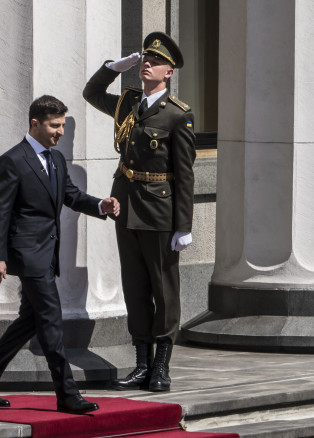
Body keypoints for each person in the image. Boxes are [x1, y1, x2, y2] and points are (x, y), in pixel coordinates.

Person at [0, 95, 120, 414]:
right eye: (55, 125)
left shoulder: (56, 160)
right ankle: (66, 393)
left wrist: (100, 205)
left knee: (30, 320)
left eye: (63, 125)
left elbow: (71, 196)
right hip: (27, 253)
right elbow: (0, 213)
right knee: (51, 320)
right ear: (34, 124)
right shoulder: (12, 160)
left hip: (47, 252)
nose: (60, 132)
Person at [82, 32, 196, 392]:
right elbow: (92, 94)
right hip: (126, 205)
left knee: (163, 290)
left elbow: (186, 173)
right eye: (145, 58)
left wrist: (184, 225)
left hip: (160, 209)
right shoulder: (130, 104)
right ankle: (141, 364)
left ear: (169, 72)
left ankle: (161, 366)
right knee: (134, 287)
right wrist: (112, 69)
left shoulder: (178, 115)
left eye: (155, 60)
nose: (147, 63)